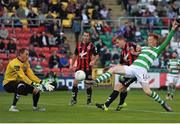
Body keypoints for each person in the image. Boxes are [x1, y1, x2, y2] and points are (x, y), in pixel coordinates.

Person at [88, 20, 178, 112]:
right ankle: (96, 81)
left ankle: (163, 103)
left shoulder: (157, 49)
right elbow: (136, 52)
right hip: (132, 67)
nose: (149, 41)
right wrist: (134, 52)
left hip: (142, 70)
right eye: (148, 40)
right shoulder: (144, 48)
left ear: (155, 41)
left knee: (147, 92)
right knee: (113, 69)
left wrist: (173, 29)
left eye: (151, 40)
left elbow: (166, 41)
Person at [3, 48, 54, 112]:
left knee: (37, 89)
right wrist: (33, 83)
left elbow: (31, 76)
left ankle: (35, 108)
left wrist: (42, 82)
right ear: (20, 54)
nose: (27, 56)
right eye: (26, 54)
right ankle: (13, 107)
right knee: (21, 85)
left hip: (19, 82)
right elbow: (23, 77)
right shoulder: (15, 63)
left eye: (28, 55)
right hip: (8, 83)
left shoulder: (26, 63)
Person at [111, 36, 141, 111]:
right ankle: (121, 104)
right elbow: (120, 64)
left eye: (118, 42)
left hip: (136, 71)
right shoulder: (122, 52)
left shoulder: (130, 44)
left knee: (119, 86)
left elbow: (141, 51)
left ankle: (106, 105)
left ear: (122, 40)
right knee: (123, 89)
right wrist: (111, 68)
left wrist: (136, 52)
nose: (117, 45)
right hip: (129, 72)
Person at [69, 31, 99, 105]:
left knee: (88, 85)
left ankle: (89, 100)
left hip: (88, 68)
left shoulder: (92, 46)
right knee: (75, 83)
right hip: (79, 68)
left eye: (87, 36)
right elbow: (75, 55)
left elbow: (97, 55)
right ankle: (74, 100)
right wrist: (71, 64)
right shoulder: (78, 45)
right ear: (82, 36)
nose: (85, 37)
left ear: (89, 37)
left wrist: (93, 61)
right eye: (84, 35)